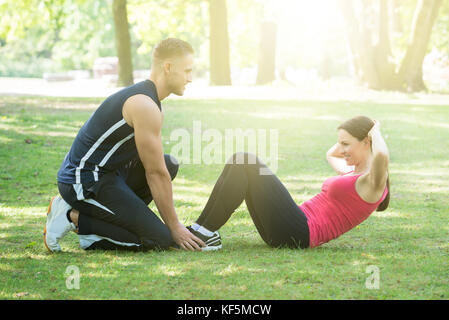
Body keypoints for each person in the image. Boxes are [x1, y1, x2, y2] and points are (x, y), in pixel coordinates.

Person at [44, 38, 207, 253]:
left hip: (109, 175)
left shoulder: (152, 103)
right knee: (159, 238)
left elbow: (158, 166)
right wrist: (174, 226)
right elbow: (155, 173)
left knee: (169, 164)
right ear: (168, 67)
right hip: (83, 181)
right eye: (187, 71)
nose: (190, 78)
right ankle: (72, 216)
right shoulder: (144, 105)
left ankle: (103, 218)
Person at [188, 116, 390, 250]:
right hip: (289, 227)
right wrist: (349, 137)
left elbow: (380, 155)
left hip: (300, 232)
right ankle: (200, 230)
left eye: (346, 144)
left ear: (367, 141)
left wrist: (375, 130)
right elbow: (331, 153)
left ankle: (204, 233)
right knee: (240, 162)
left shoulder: (371, 183)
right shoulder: (351, 172)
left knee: (245, 160)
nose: (342, 149)